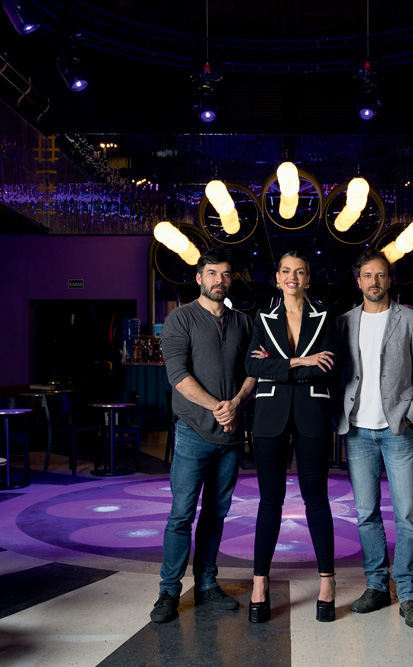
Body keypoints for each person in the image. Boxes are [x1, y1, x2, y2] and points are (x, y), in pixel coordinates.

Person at [335, 248, 413, 629]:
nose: (374, 282)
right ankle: (377, 585)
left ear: (389, 280)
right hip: (358, 432)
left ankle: (409, 594)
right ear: (358, 279)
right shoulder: (344, 322)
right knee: (366, 515)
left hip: (398, 432)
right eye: (367, 275)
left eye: (380, 275)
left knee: (407, 516)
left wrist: (410, 417)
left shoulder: (411, 320)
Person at [151, 247, 257, 623]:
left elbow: (254, 370)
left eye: (226, 274)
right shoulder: (180, 319)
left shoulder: (243, 321)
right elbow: (178, 377)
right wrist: (219, 407)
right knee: (182, 514)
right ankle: (168, 591)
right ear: (199, 277)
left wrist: (237, 402)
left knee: (215, 514)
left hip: (230, 437)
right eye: (212, 273)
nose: (219, 280)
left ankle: (207, 583)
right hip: (194, 433)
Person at [244, 251, 337, 623]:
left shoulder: (325, 318)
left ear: (308, 278)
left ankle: (327, 584)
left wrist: (277, 367)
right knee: (270, 501)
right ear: (277, 277)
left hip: (313, 415)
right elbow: (252, 364)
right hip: (269, 418)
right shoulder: (263, 318)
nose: (292, 277)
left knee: (317, 500)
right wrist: (300, 362)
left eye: (300, 271)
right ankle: (259, 584)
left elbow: (330, 368)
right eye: (286, 271)